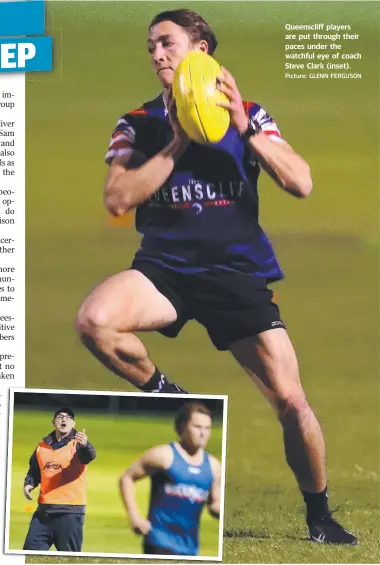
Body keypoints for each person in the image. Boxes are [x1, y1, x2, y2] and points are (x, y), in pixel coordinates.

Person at [76, 9, 357, 545]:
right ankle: (168, 397)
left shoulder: (250, 114)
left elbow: (301, 182)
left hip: (237, 275)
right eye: (150, 47)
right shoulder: (138, 122)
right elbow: (117, 197)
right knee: (95, 321)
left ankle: (319, 515)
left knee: (292, 402)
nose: (157, 54)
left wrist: (245, 130)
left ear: (200, 50)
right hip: (166, 271)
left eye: (167, 43)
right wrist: (177, 142)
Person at [119, 402, 221, 556]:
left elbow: (215, 504)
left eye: (207, 428)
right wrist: (134, 516)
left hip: (190, 547)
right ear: (182, 427)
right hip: (159, 541)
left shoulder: (214, 466)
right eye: (197, 427)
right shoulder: (163, 456)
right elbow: (127, 478)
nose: (203, 433)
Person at [23, 407, 96, 552]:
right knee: (29, 554)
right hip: (43, 512)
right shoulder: (42, 446)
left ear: (73, 423)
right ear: (53, 422)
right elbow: (35, 469)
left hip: (70, 512)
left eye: (68, 417)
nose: (64, 419)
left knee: (69, 559)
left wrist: (86, 445)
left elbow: (89, 456)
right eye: (60, 417)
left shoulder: (78, 444)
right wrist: (29, 483)